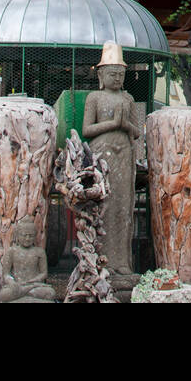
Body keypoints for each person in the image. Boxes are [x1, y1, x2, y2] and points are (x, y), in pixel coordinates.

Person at [81, 43, 141, 281]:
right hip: (102, 156)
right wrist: (113, 124)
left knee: (123, 208)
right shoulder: (94, 97)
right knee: (103, 206)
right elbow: (87, 129)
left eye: (120, 74)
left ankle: (122, 262)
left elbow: (136, 131)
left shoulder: (128, 99)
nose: (116, 78)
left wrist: (124, 124)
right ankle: (101, 259)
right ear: (101, 75)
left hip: (123, 155)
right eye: (112, 74)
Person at [0, 217, 56, 303]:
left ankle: (24, 296)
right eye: (24, 235)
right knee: (3, 295)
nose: (27, 238)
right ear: (17, 235)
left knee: (50, 293)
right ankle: (30, 298)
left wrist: (34, 281)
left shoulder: (39, 252)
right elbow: (6, 274)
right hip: (17, 286)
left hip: (34, 286)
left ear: (35, 236)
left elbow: (43, 273)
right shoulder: (12, 251)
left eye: (31, 236)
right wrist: (12, 282)